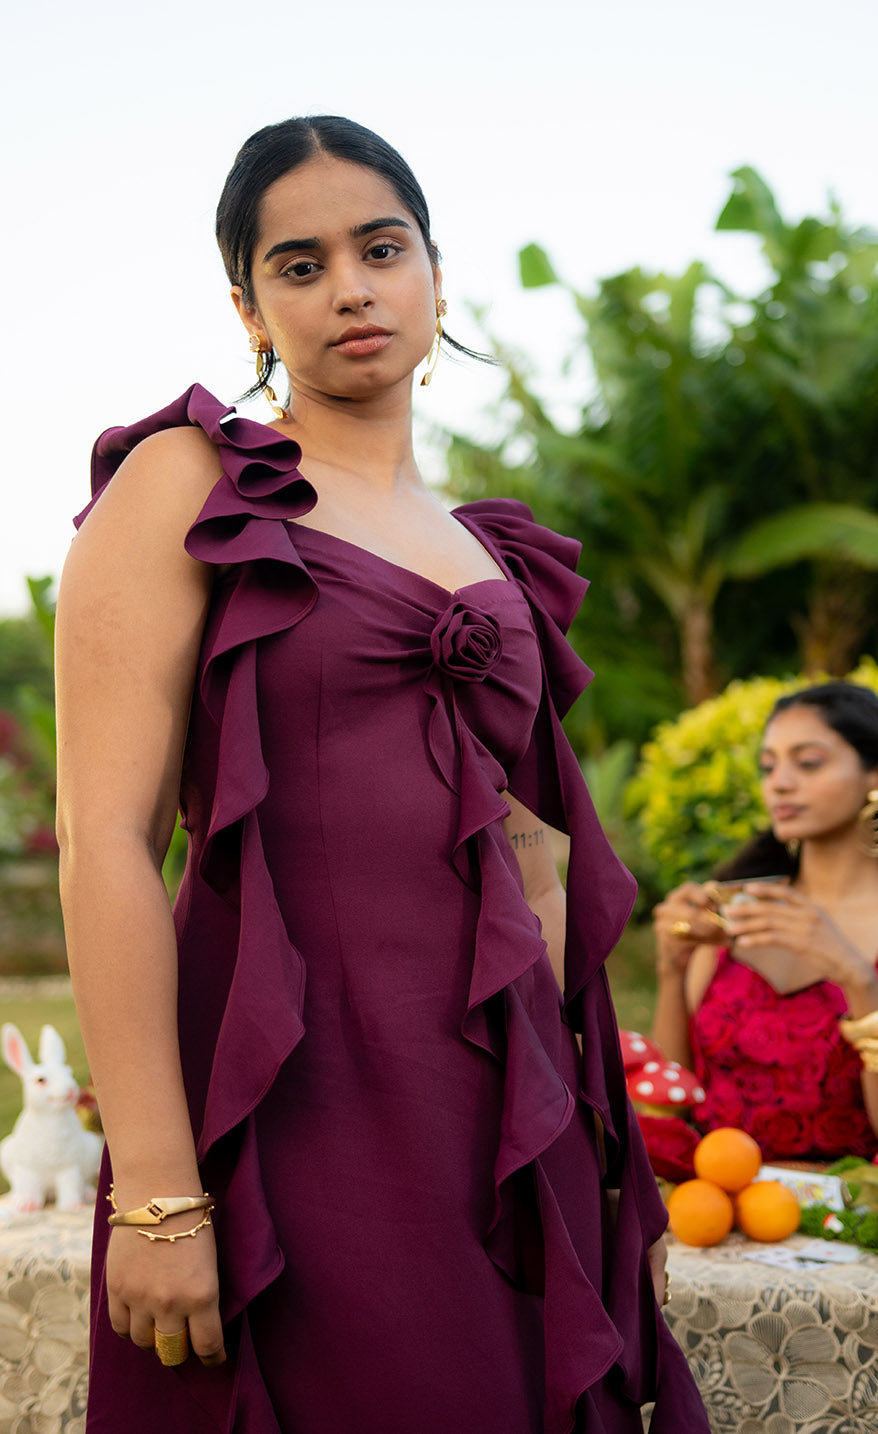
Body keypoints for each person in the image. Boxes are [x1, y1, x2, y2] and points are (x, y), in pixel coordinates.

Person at [55, 117, 709, 1434]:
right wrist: (163, 1191)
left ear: (436, 277)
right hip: (293, 1099)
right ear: (247, 306)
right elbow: (103, 839)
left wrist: (586, 1146)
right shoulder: (188, 483)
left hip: (495, 1106)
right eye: (299, 264)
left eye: (381, 247)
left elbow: (534, 857)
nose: (350, 286)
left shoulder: (488, 548)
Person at [651, 682, 878, 1162]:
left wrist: (857, 978)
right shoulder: (735, 911)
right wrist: (671, 971)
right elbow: (669, 1105)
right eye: (769, 767)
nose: (780, 782)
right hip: (713, 1214)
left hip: (854, 1225)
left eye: (808, 763)